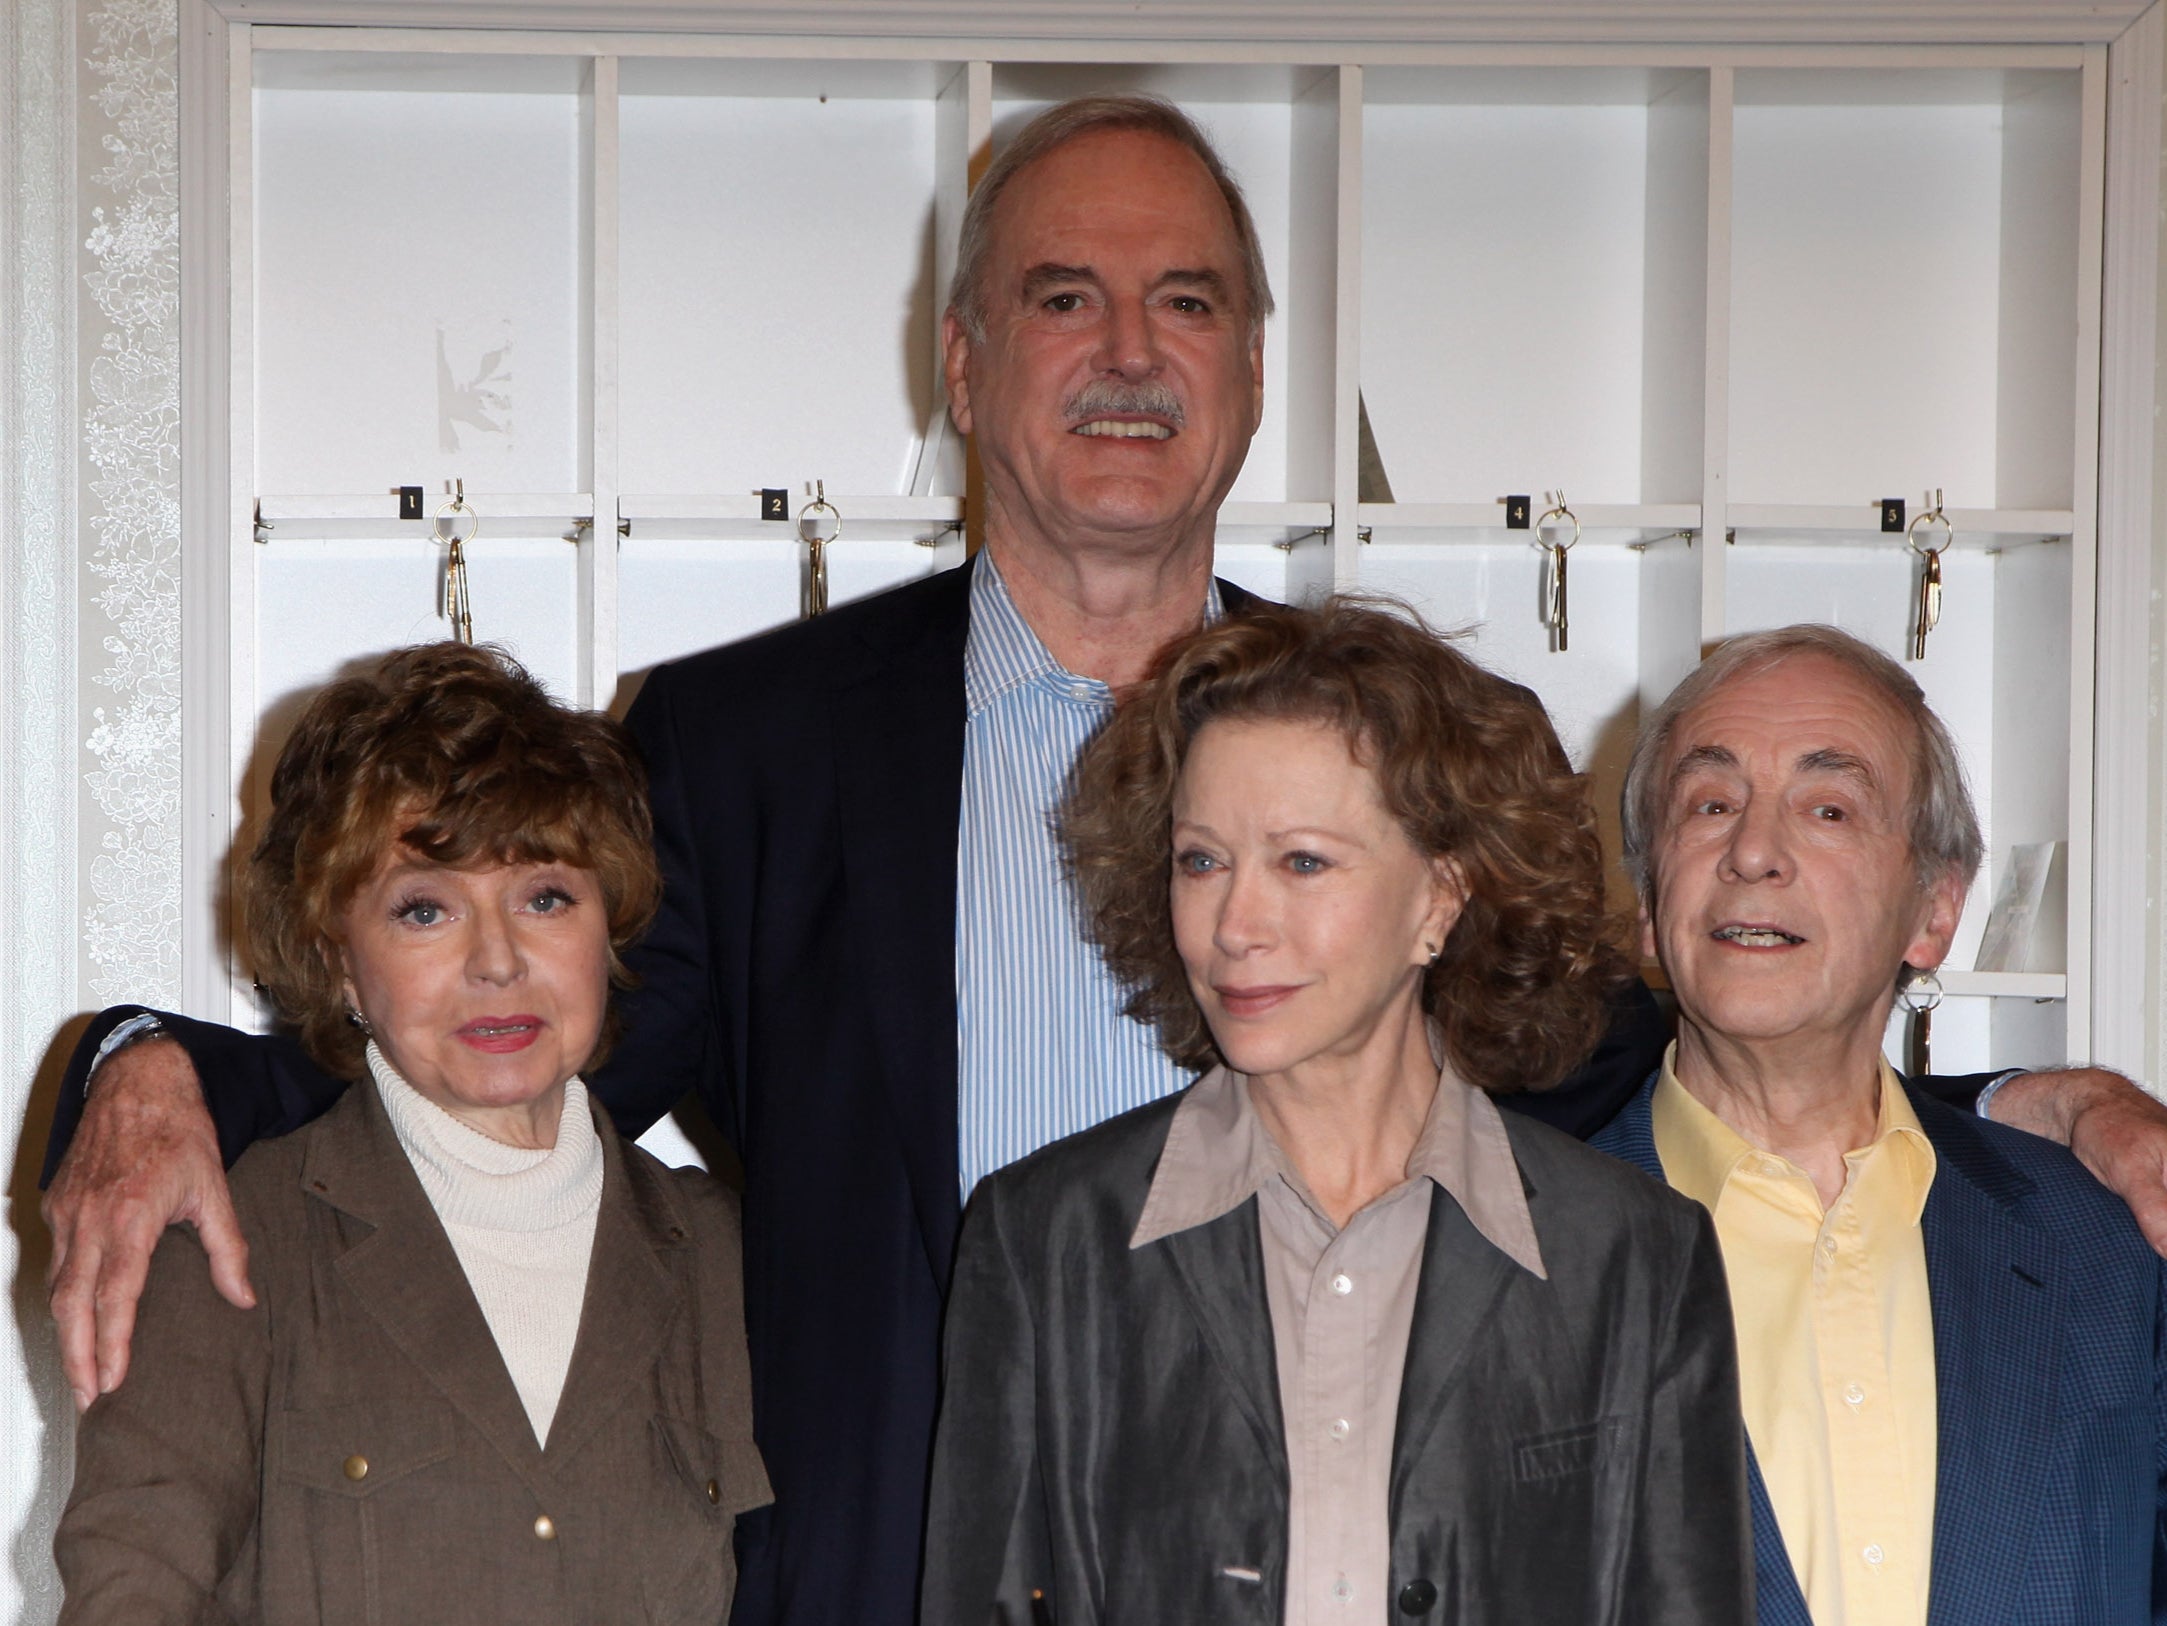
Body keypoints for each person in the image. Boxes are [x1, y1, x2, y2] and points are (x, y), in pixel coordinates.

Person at [35, 93, 2167, 1626]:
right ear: (960, 362)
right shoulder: (748, 747)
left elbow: (1668, 1065)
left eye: (1186, 302)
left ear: (1251, 369)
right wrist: (151, 1061)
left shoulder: (1421, 759)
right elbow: (488, 1048)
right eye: (1064, 298)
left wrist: (1993, 1113)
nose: (1128, 352)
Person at [925, 597, 1751, 1622]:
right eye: (1201, 860)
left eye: (1302, 861)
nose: (1235, 924)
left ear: (1441, 898)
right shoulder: (1045, 1238)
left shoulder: (1634, 1257)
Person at [53, 644, 770, 1623]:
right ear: (337, 960)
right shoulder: (232, 1249)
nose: (499, 961)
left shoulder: (729, 1260)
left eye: (545, 896)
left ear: (611, 924)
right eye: (424, 909)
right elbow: (132, 1592)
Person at [1588, 624, 2167, 1625]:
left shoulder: (2110, 1252)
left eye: (1827, 807)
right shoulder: (1511, 1263)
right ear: (1647, 902)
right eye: (1710, 803)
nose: (1754, 853)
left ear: (1933, 911)